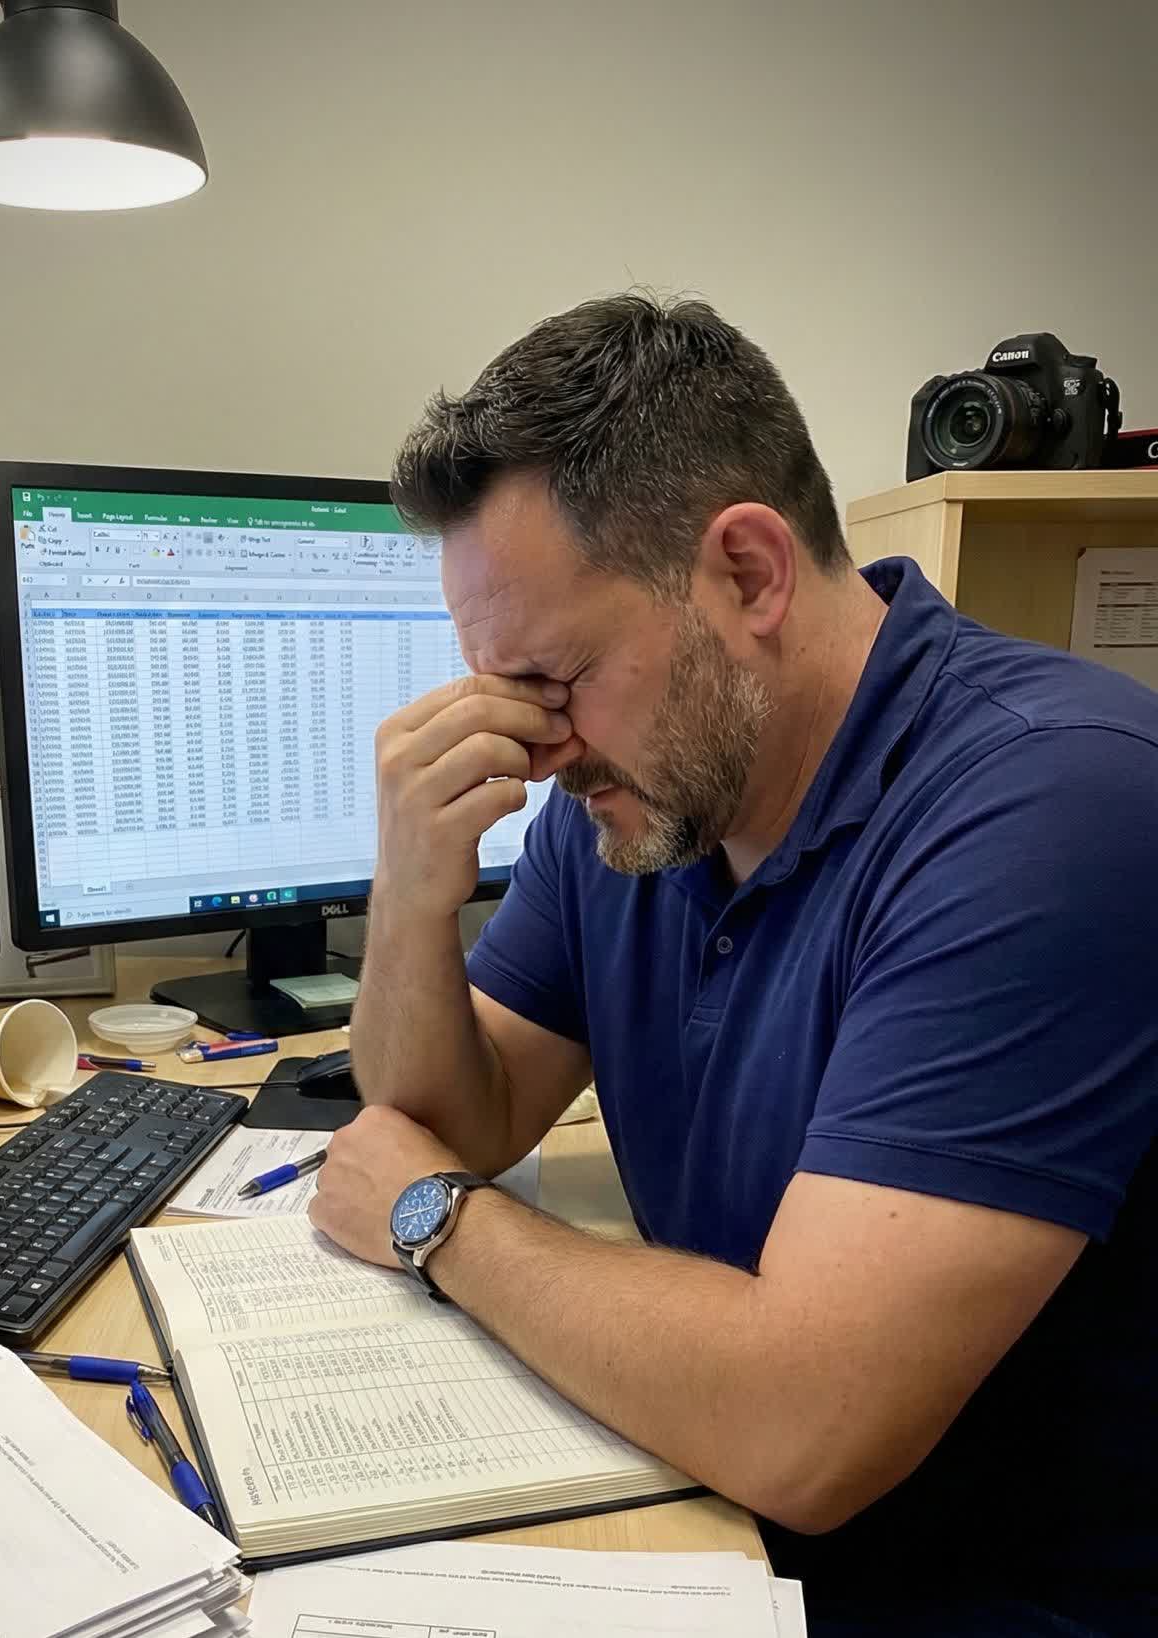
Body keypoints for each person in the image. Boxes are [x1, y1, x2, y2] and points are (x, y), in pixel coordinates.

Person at [306, 293, 1158, 1637]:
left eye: (556, 678)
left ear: (750, 574)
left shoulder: (1056, 805)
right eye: (499, 693)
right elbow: (449, 1115)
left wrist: (443, 1223)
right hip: (719, 1526)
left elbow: (801, 1419)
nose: (537, 749)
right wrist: (414, 891)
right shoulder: (642, 800)